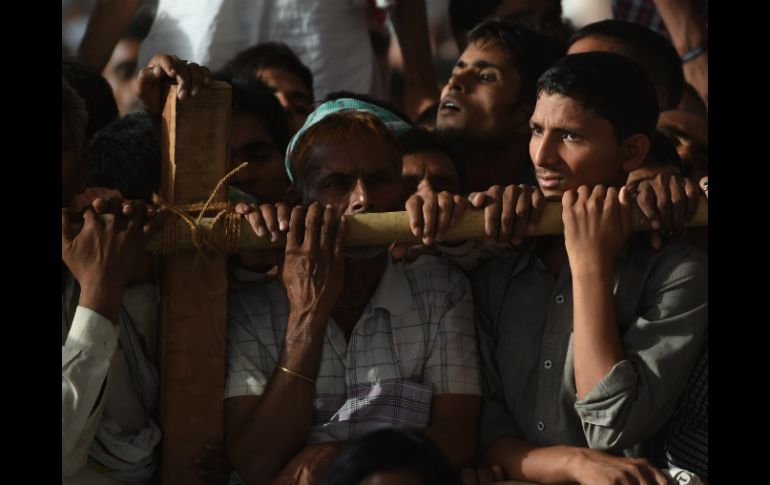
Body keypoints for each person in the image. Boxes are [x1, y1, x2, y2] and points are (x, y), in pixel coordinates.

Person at [472, 52, 707, 484]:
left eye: (570, 136)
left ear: (631, 150)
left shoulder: (677, 272)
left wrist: (590, 263)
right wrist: (571, 464)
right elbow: (484, 429)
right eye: (537, 130)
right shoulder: (502, 265)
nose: (542, 156)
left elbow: (611, 423)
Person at [224, 102, 482, 484]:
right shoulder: (253, 305)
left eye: (379, 179)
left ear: (399, 191)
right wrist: (307, 314)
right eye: (337, 184)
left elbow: (458, 440)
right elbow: (256, 464)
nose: (363, 199)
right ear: (298, 202)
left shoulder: (439, 289)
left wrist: (332, 458)